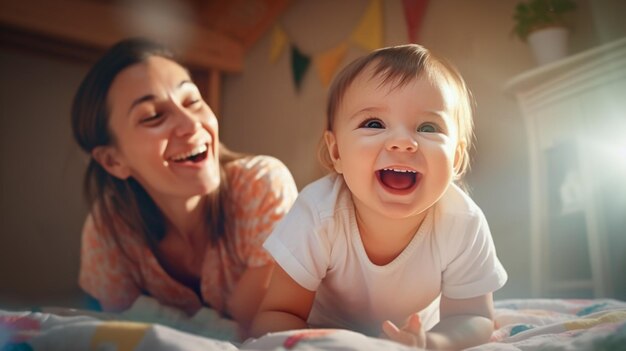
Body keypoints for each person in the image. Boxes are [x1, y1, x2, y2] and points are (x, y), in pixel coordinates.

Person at [250, 44, 507, 349]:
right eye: (374, 124)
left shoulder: (461, 222)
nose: (402, 141)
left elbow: (473, 316)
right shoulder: (318, 215)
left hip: (413, 337)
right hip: (323, 332)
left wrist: (431, 343)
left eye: (428, 127)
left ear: (456, 159)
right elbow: (278, 314)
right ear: (336, 152)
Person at [71, 38, 298, 333]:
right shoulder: (108, 230)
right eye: (153, 116)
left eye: (192, 101)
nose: (191, 125)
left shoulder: (262, 185)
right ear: (114, 161)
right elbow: (120, 334)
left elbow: (253, 332)